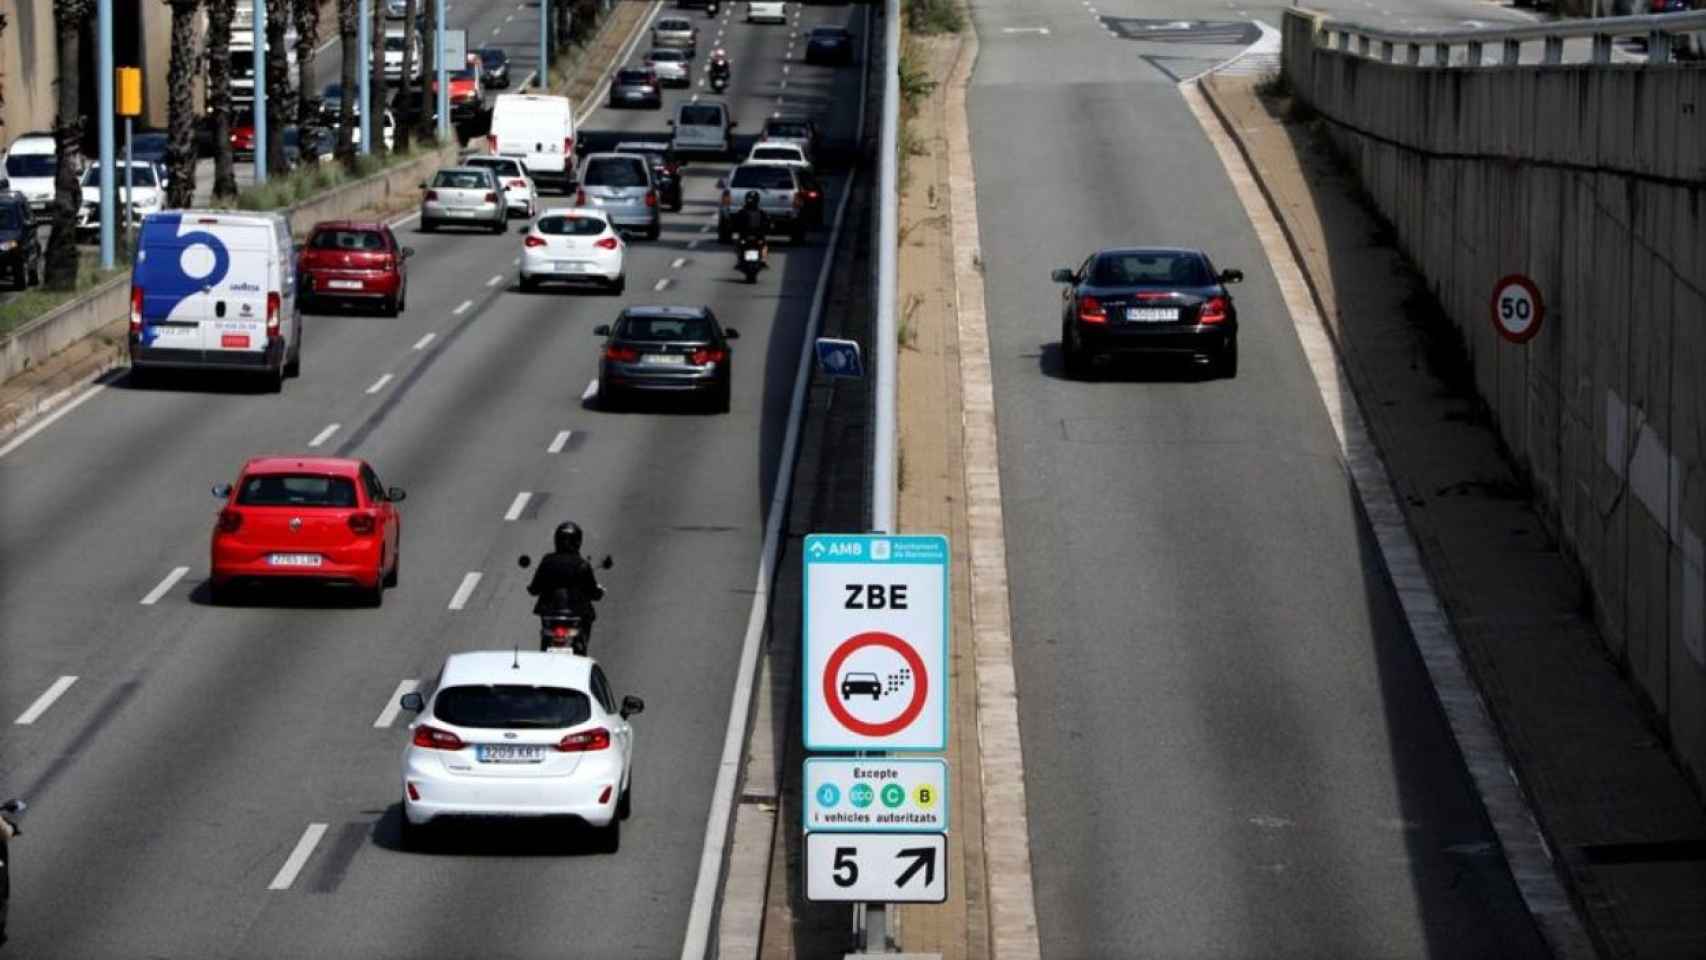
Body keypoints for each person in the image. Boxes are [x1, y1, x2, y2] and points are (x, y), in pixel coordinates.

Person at [525, 522, 605, 635]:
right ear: (578, 542)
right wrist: (598, 592)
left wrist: (532, 588)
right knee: (588, 616)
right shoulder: (582, 564)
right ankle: (581, 647)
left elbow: (534, 589)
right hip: (574, 615)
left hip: (550, 615)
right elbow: (593, 592)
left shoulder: (548, 561)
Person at [730, 190, 770, 265]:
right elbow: (735, 223)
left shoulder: (761, 212)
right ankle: (740, 259)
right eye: (750, 200)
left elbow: (767, 223)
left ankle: (763, 259)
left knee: (764, 245)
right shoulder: (742, 212)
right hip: (745, 235)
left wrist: (766, 229)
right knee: (738, 243)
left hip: (757, 235)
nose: (751, 202)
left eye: (753, 200)